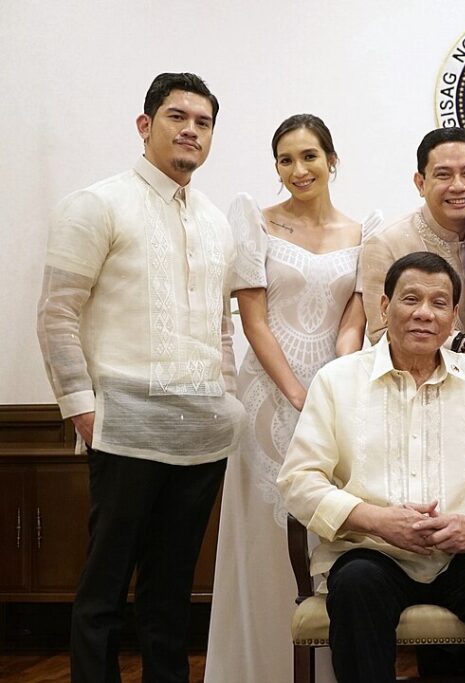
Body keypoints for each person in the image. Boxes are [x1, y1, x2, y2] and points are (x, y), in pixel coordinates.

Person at [36, 72, 244, 682]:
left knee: (171, 588)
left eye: (203, 123)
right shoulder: (96, 204)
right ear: (146, 125)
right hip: (121, 424)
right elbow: (57, 313)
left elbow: (222, 325)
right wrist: (81, 407)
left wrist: (227, 399)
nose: (191, 131)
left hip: (201, 430)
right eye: (178, 117)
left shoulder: (215, 221)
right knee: (104, 586)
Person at [277, 252, 465, 682]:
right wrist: (376, 520)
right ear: (385, 307)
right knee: (356, 589)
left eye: (439, 303)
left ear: (454, 316)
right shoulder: (336, 380)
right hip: (372, 551)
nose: (424, 313)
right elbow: (299, 479)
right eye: (410, 299)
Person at [205, 114, 383, 683]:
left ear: (332, 160)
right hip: (269, 398)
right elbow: (252, 318)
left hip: (336, 391)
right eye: (285, 160)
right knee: (266, 529)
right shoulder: (254, 223)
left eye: (309, 156)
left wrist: (333, 388)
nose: (298, 170)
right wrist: (295, 392)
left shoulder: (365, 231)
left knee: (329, 527)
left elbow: (352, 323)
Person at [357, 127, 465, 360]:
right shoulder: (386, 244)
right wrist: (462, 345)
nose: (458, 186)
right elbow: (381, 334)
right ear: (420, 183)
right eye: (443, 175)